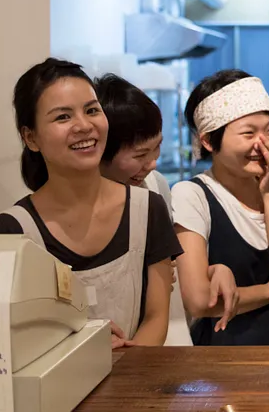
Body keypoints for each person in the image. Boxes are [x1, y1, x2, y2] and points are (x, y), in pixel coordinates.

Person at [0, 58, 181, 348]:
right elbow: (5, 335)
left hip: (135, 381)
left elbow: (156, 317)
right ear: (31, 138)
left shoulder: (147, 208)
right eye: (63, 117)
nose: (84, 125)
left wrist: (130, 355)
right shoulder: (10, 230)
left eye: (91, 110)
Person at [93, 73, 239, 347]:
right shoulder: (82, 204)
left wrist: (213, 270)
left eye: (157, 148)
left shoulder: (154, 186)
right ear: (100, 149)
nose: (152, 163)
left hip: (166, 341)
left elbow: (166, 267)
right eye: (139, 155)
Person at [170, 70, 269, 345]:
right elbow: (199, 301)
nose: (263, 143)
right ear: (208, 141)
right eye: (248, 133)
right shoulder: (193, 195)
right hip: (221, 359)